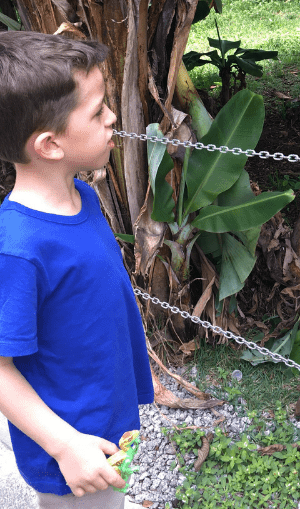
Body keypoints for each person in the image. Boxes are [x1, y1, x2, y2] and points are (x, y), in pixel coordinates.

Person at [0, 31, 154, 509]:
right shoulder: (19, 248)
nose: (113, 119)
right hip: (71, 449)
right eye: (98, 111)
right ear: (49, 144)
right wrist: (65, 446)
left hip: (106, 417)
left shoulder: (83, 197)